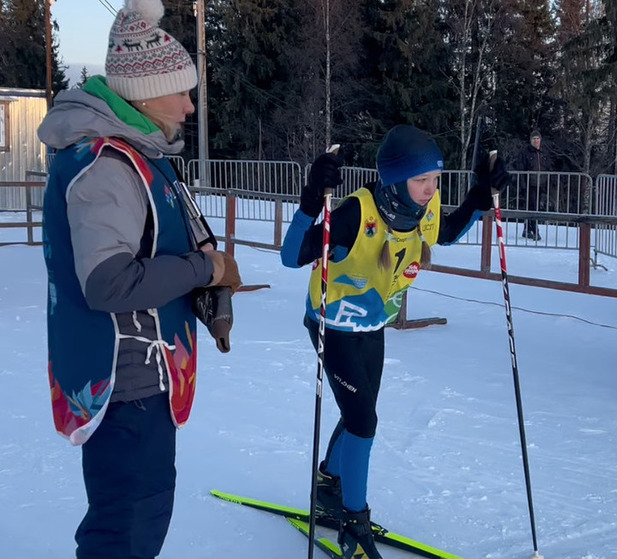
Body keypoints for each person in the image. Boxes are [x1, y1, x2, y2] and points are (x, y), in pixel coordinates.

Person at [38, 1, 242, 557]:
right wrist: (205, 268)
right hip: (124, 385)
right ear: (145, 94)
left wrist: (204, 269)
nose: (191, 105)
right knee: (125, 532)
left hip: (149, 377)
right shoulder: (107, 165)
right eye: (181, 91)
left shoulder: (144, 154)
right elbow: (107, 284)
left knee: (140, 522)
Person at [281, 125, 509, 559]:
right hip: (333, 325)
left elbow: (443, 233)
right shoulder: (355, 212)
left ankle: (329, 485)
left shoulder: (423, 207)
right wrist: (312, 198)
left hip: (373, 325)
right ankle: (353, 520)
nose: (430, 189)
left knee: (360, 412)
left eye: (435, 180)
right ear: (395, 179)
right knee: (364, 421)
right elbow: (292, 256)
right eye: (421, 180)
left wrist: (481, 196)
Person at [510, 129, 551, 240]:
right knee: (531, 207)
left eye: (538, 139)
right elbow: (521, 169)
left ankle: (527, 229)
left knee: (535, 207)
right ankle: (534, 229)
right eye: (534, 139)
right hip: (529, 184)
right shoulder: (525, 153)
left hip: (540, 184)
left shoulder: (544, 153)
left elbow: (547, 168)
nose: (536, 141)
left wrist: (547, 183)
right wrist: (523, 185)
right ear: (530, 140)